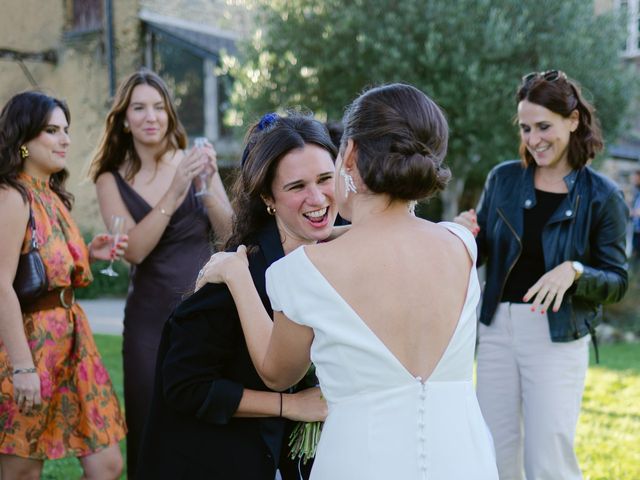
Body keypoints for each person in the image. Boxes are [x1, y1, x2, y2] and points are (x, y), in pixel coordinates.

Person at [197, 84, 499, 480]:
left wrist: (238, 277)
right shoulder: (460, 246)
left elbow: (278, 373)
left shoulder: (304, 271)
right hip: (464, 458)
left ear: (350, 153)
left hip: (363, 461)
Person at [136, 112, 335, 479]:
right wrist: (288, 405)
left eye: (326, 178)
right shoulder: (233, 277)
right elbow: (184, 385)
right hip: (211, 461)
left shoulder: (334, 258)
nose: (317, 197)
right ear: (267, 197)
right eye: (296, 187)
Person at [455, 70, 628, 479]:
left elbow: (618, 281)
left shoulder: (603, 196)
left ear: (573, 121)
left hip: (557, 336)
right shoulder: (504, 179)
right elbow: (483, 253)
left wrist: (575, 270)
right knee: (493, 454)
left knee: (547, 459)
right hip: (497, 329)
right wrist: (464, 236)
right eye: (527, 127)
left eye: (544, 126)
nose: (534, 139)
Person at [88, 69, 233, 478]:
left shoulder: (194, 163)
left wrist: (207, 183)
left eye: (158, 107)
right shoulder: (110, 178)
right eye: (138, 108)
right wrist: (174, 191)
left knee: (206, 428)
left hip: (205, 314)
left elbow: (229, 235)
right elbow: (133, 249)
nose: (150, 116)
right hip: (148, 322)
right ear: (123, 118)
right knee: (149, 423)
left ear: (169, 113)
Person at [0, 91, 127, 479]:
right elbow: (2, 283)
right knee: (22, 469)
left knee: (107, 464)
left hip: (74, 342)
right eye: (52, 130)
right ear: (23, 140)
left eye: (66, 130)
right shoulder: (12, 196)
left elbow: (41, 271)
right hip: (30, 346)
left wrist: (87, 253)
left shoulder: (52, 196)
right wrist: (23, 368)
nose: (65, 139)